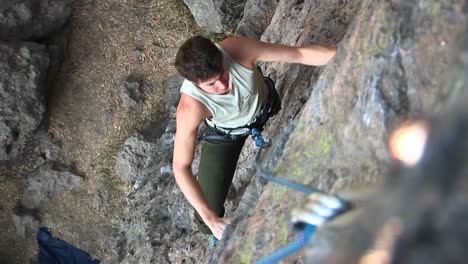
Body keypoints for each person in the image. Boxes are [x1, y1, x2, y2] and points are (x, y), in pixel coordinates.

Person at [172, 35, 337, 241]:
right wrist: (212, 220)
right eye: (211, 84)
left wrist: (344, 54)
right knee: (206, 221)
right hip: (227, 135)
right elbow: (180, 167)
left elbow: (299, 54)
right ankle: (212, 231)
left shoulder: (236, 49)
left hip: (265, 105)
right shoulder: (191, 107)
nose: (223, 85)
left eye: (223, 73)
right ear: (195, 83)